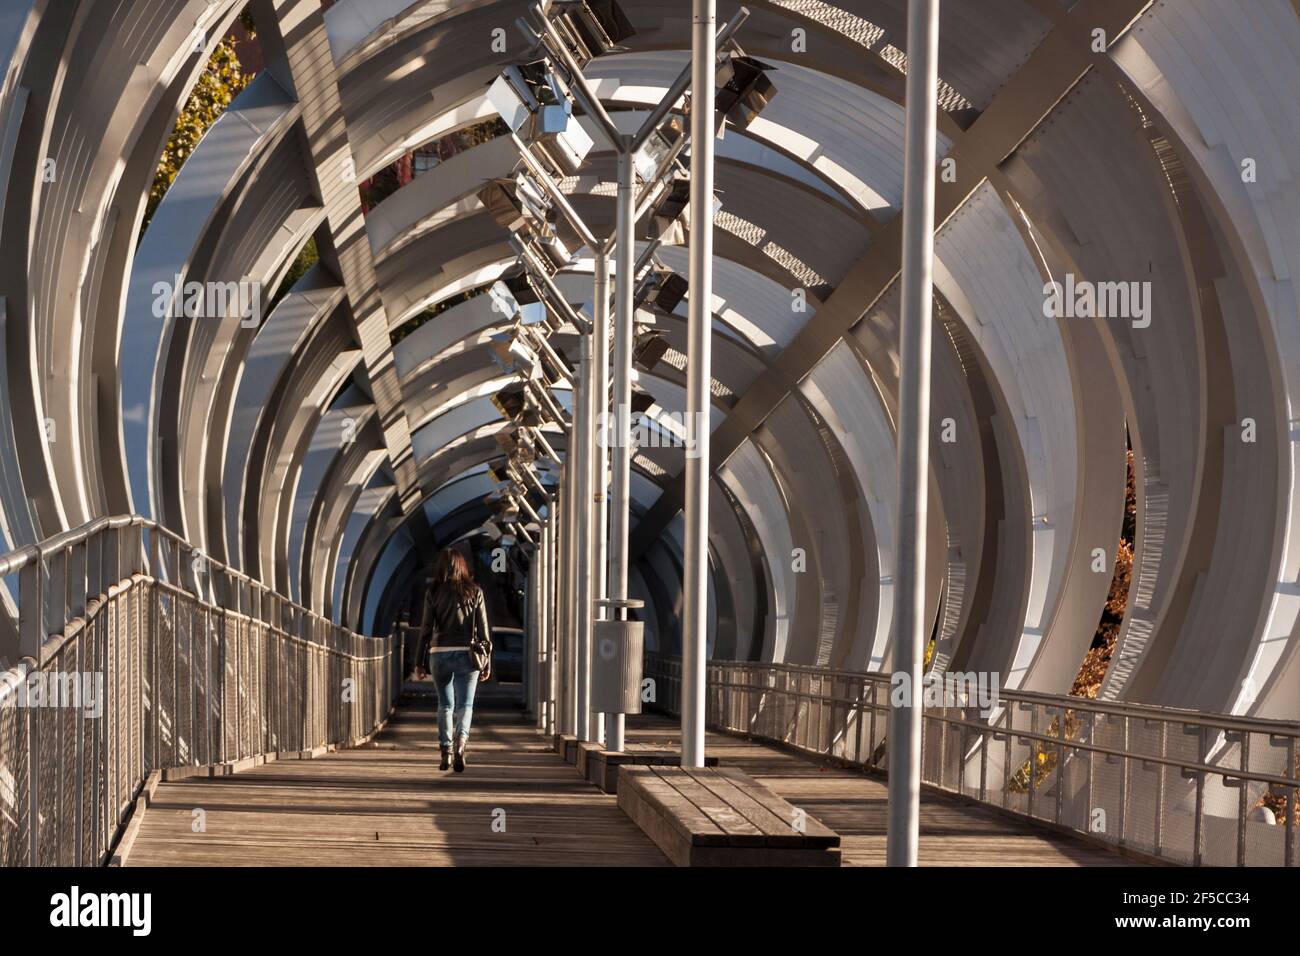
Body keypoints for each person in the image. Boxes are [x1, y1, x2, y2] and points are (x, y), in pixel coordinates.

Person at [414, 548, 492, 772]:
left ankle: (446, 751)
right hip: (468, 654)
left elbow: (425, 629)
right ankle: (461, 744)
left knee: (445, 705)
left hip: (439, 654)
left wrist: (419, 662)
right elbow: (485, 634)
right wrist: (486, 663)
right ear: (463, 567)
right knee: (465, 705)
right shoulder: (475, 591)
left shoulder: (434, 591)